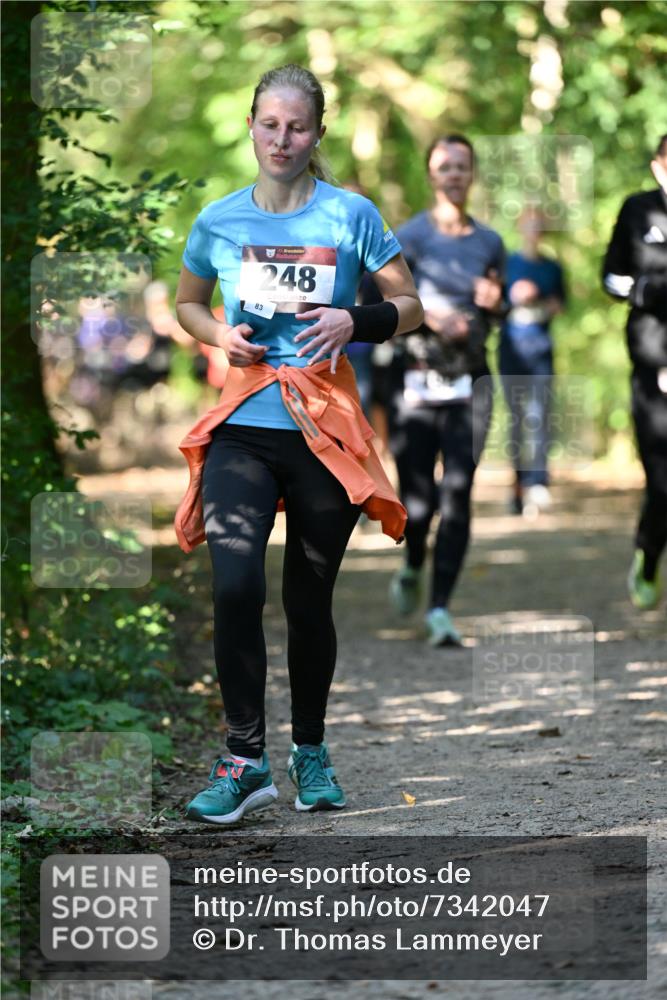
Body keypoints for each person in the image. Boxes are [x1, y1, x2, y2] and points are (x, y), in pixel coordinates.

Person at [173, 64, 423, 824]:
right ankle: (244, 760)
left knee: (306, 600)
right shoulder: (218, 219)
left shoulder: (350, 214)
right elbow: (185, 303)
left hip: (322, 429)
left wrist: (356, 319)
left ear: (318, 134)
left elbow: (410, 305)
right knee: (235, 586)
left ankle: (309, 752)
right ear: (250, 125)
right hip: (243, 425)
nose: (282, 139)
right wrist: (218, 333)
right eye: (270, 124)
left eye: (298, 127)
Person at [388, 135, 505, 646]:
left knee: (458, 492)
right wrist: (433, 317)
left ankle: (439, 610)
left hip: (472, 378)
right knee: (419, 503)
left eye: (462, 166)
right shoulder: (408, 237)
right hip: (414, 379)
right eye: (445, 167)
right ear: (430, 174)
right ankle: (414, 560)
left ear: (472, 174)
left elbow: (494, 311)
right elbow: (388, 302)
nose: (454, 174)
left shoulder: (490, 242)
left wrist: (494, 302)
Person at [602, 134, 667, 611]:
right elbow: (611, 276)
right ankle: (648, 553)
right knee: (662, 480)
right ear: (657, 166)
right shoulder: (637, 210)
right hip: (654, 364)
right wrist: (644, 290)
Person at [498, 206, 566, 517]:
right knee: (516, 420)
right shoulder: (507, 264)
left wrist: (540, 298)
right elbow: (493, 305)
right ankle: (518, 485)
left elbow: (561, 306)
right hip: (512, 349)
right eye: (529, 224)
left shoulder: (552, 267)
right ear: (521, 227)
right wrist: (513, 296)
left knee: (540, 416)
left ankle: (539, 482)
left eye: (539, 225)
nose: (534, 230)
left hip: (541, 348)